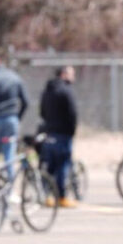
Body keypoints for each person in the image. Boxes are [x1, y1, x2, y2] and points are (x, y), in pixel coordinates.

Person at [39, 65, 78, 207]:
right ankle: (61, 197)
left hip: (49, 133)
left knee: (49, 166)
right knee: (62, 166)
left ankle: (47, 195)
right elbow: (72, 113)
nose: (73, 77)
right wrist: (72, 131)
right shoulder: (66, 91)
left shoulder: (47, 91)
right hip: (63, 134)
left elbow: (42, 112)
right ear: (63, 74)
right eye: (71, 74)